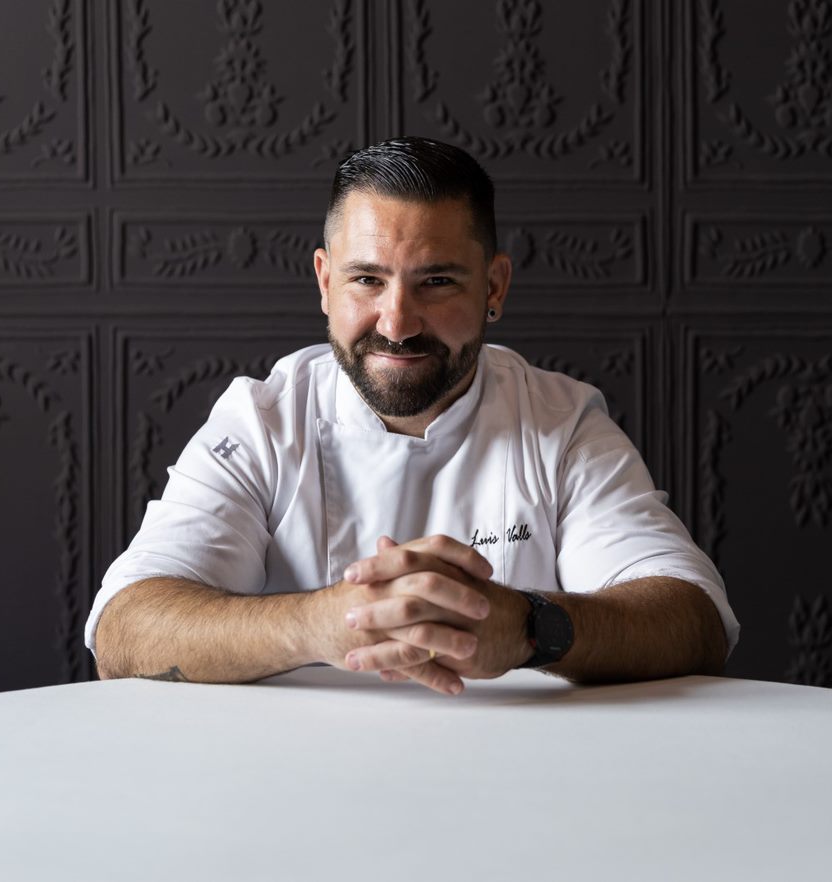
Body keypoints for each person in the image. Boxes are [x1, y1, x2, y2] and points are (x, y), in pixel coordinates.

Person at [87, 137, 739, 695]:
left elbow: (695, 619)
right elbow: (123, 631)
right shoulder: (264, 422)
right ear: (325, 282)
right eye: (367, 280)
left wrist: (528, 627)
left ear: (494, 287)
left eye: (437, 282)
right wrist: (323, 623)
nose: (397, 323)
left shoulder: (560, 424)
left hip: (519, 773)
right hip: (292, 774)